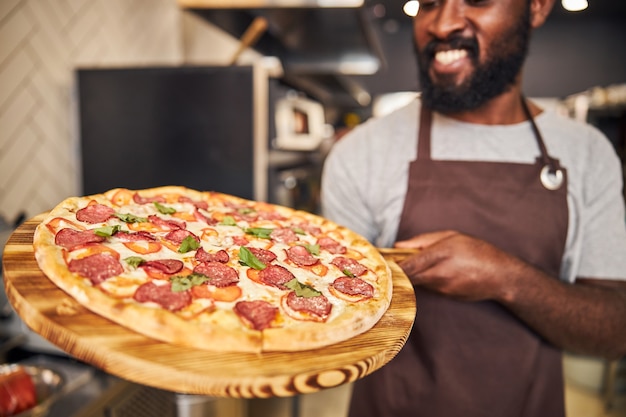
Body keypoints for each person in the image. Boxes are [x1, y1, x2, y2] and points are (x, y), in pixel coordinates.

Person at [320, 0, 626, 415]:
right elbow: (331, 319)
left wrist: (506, 277)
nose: (443, 24)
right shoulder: (361, 153)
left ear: (536, 8)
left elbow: (613, 332)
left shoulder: (586, 153)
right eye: (429, 3)